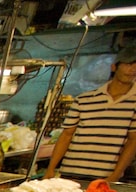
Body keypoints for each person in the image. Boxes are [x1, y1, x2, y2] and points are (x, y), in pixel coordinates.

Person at [45, 46, 136, 182]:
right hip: (70, 172)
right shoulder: (84, 99)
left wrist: (115, 176)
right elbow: (66, 135)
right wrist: (51, 168)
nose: (133, 70)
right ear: (114, 67)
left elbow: (133, 141)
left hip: (105, 177)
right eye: (128, 64)